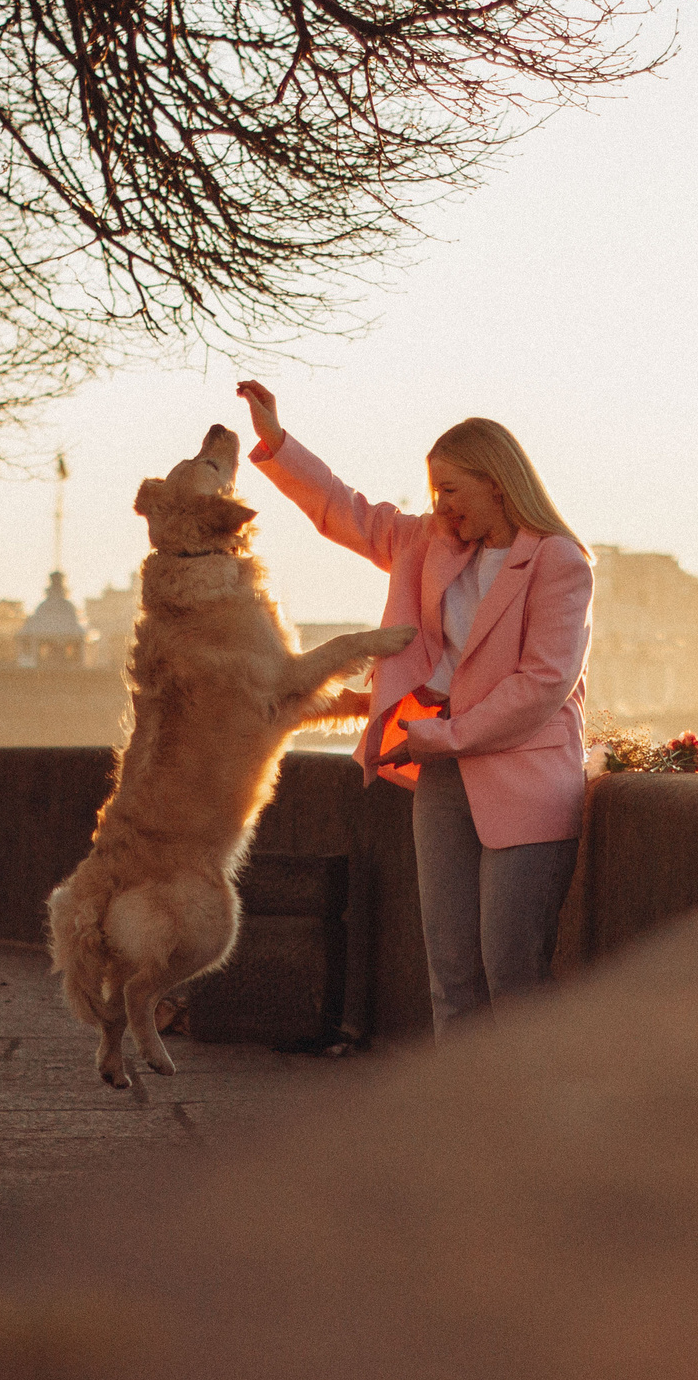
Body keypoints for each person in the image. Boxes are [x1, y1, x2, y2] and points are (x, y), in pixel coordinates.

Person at [236, 380, 593, 1034]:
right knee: (451, 974)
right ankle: (458, 1123)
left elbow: (543, 683)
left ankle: (538, 1125)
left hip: (525, 783)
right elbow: (344, 511)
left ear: (496, 480)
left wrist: (449, 735)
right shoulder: (428, 544)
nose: (442, 506)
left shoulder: (559, 562)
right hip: (440, 772)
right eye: (435, 492)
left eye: (452, 489)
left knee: (512, 971)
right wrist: (277, 444)